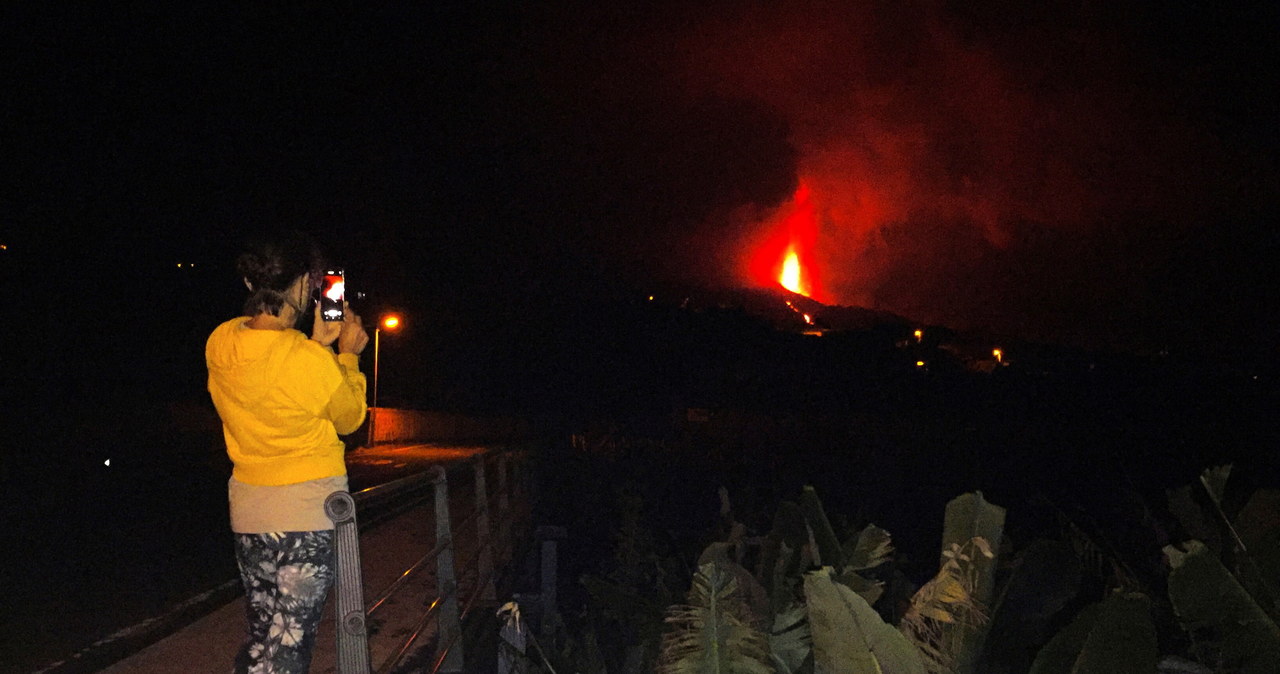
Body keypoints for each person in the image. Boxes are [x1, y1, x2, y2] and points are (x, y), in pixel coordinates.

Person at [205, 231, 370, 673]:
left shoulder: (219, 341)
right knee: (290, 648)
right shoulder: (309, 360)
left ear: (248, 285)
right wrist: (347, 356)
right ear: (303, 286)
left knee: (263, 640)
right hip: (303, 517)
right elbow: (350, 416)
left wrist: (316, 349)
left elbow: (278, 381)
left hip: (249, 514)